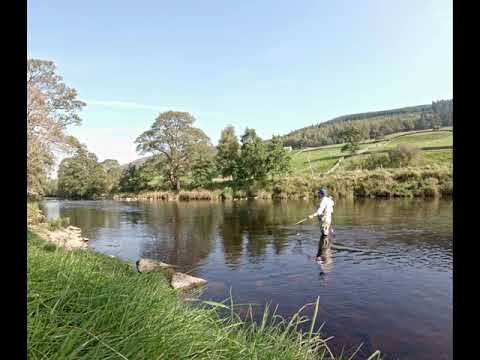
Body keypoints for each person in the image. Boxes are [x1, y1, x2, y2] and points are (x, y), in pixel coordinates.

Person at [308, 187, 334, 262]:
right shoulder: (329, 200)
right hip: (328, 219)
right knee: (325, 234)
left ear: (321, 194)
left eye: (319, 193)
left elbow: (319, 211)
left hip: (324, 220)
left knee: (325, 235)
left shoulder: (323, 201)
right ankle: (326, 248)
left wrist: (312, 215)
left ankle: (325, 247)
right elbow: (332, 205)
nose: (318, 194)